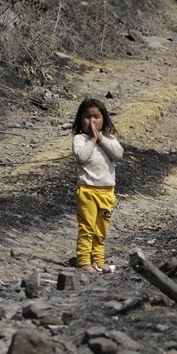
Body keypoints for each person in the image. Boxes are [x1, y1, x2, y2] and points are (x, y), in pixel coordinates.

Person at [71, 98, 124, 275]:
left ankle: (98, 260)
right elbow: (81, 157)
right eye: (87, 117)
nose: (92, 121)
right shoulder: (80, 139)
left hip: (107, 191)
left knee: (101, 229)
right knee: (87, 227)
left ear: (104, 119)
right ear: (80, 119)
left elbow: (118, 154)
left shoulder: (109, 139)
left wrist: (100, 138)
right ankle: (83, 261)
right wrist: (93, 139)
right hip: (87, 190)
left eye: (96, 117)